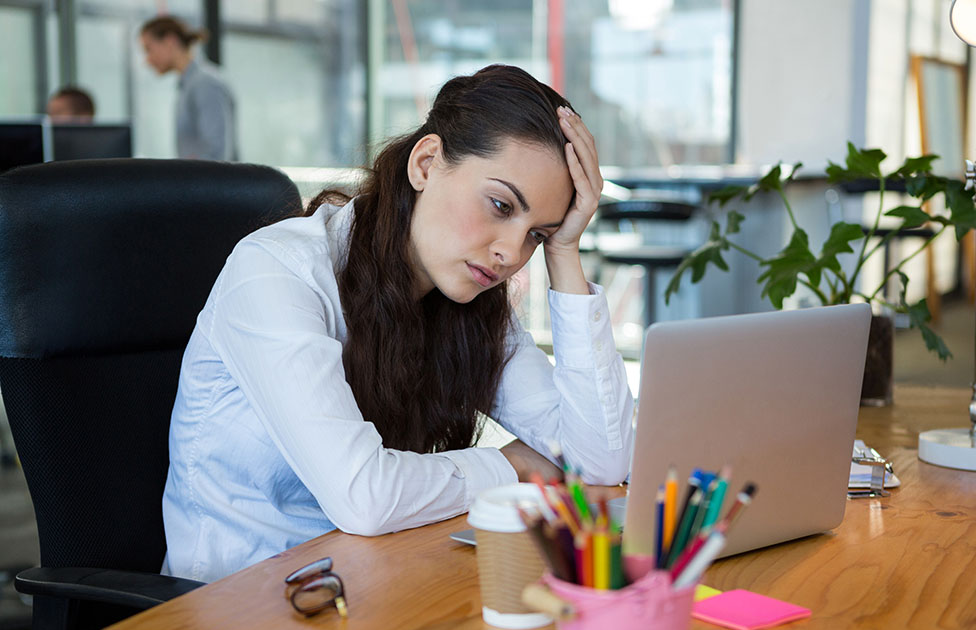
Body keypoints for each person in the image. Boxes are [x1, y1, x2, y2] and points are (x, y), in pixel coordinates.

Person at [162, 65, 635, 583]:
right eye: (500, 206)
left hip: (373, 575)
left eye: (537, 235)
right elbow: (364, 496)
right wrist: (512, 466)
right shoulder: (276, 271)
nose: (510, 253)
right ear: (426, 164)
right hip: (240, 596)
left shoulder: (469, 298)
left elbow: (601, 459)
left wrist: (565, 250)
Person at [139, 15, 238, 161]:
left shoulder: (205, 84)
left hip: (210, 177)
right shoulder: (187, 86)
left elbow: (216, 154)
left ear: (170, 41)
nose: (147, 60)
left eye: (148, 49)